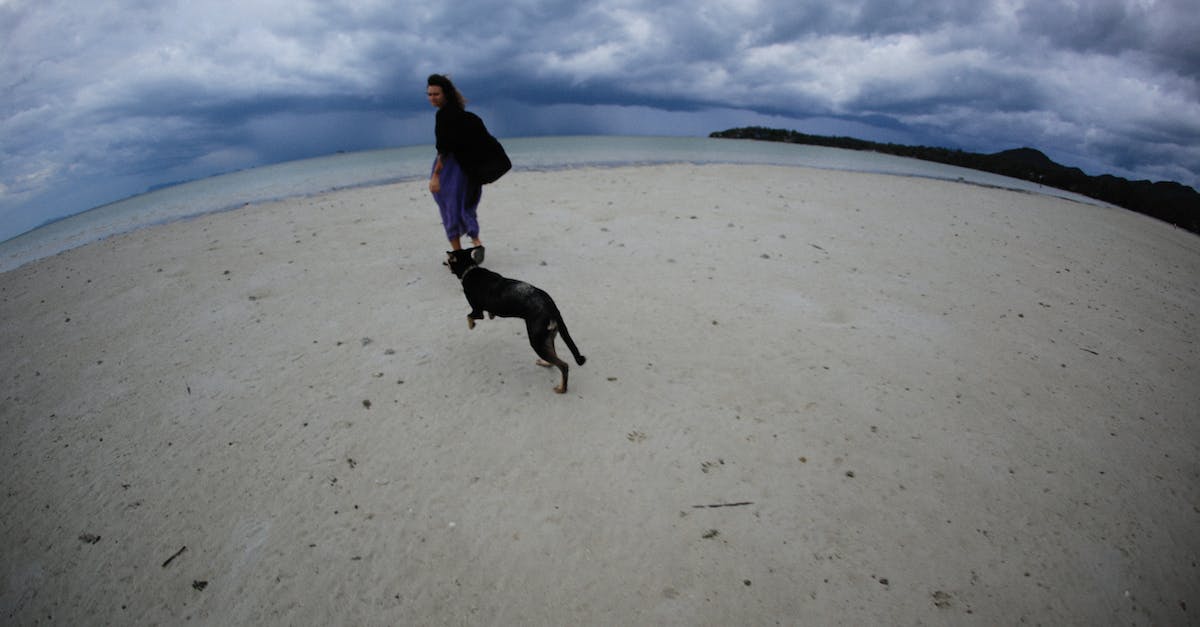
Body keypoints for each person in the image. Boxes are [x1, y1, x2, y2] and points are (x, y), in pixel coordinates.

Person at [427, 74, 485, 263]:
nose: (432, 98)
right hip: (469, 168)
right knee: (465, 205)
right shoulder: (461, 113)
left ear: (445, 94)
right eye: (429, 94)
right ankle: (476, 243)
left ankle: (458, 255)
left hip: (452, 168)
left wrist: (436, 176)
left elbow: (443, 149)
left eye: (436, 94)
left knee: (448, 206)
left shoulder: (443, 115)